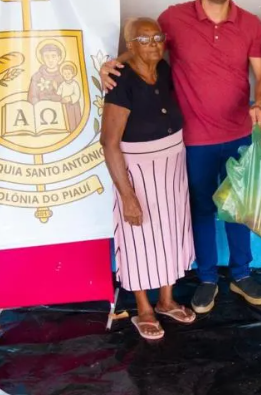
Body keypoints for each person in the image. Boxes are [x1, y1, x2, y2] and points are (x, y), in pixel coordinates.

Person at [101, 0, 261, 314]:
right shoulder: (173, 19)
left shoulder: (251, 23)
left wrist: (260, 102)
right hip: (192, 140)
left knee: (239, 209)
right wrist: (113, 65)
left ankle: (241, 274)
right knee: (202, 210)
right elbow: (144, 48)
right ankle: (207, 278)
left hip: (239, 133)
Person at [101, 18, 196, 340]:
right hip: (139, 170)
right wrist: (127, 196)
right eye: (144, 40)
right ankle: (144, 309)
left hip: (172, 162)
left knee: (170, 231)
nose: (154, 44)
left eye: (157, 37)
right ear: (130, 46)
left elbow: (147, 56)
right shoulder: (121, 82)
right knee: (139, 237)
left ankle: (167, 300)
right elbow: (109, 143)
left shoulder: (163, 69)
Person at [57, 62, 82, 131]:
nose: (67, 75)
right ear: (62, 74)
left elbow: (77, 94)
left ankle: (78, 129)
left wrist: (70, 98)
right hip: (66, 105)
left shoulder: (75, 84)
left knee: (76, 116)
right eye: (65, 74)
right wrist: (55, 88)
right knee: (69, 117)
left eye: (69, 73)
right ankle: (71, 129)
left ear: (72, 74)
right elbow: (58, 92)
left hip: (74, 104)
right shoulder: (62, 84)